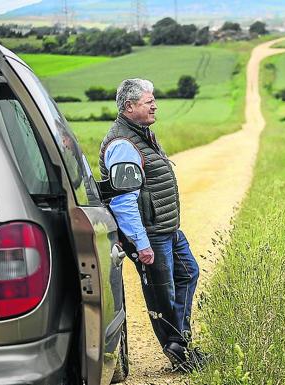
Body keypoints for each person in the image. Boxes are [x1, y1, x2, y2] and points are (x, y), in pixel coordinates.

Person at [98, 78, 207, 372]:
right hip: (151, 233)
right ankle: (178, 354)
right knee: (162, 293)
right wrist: (140, 242)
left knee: (187, 273)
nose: (155, 105)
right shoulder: (123, 145)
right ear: (130, 106)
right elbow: (123, 200)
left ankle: (180, 341)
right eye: (149, 101)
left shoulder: (142, 134)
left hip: (166, 228)